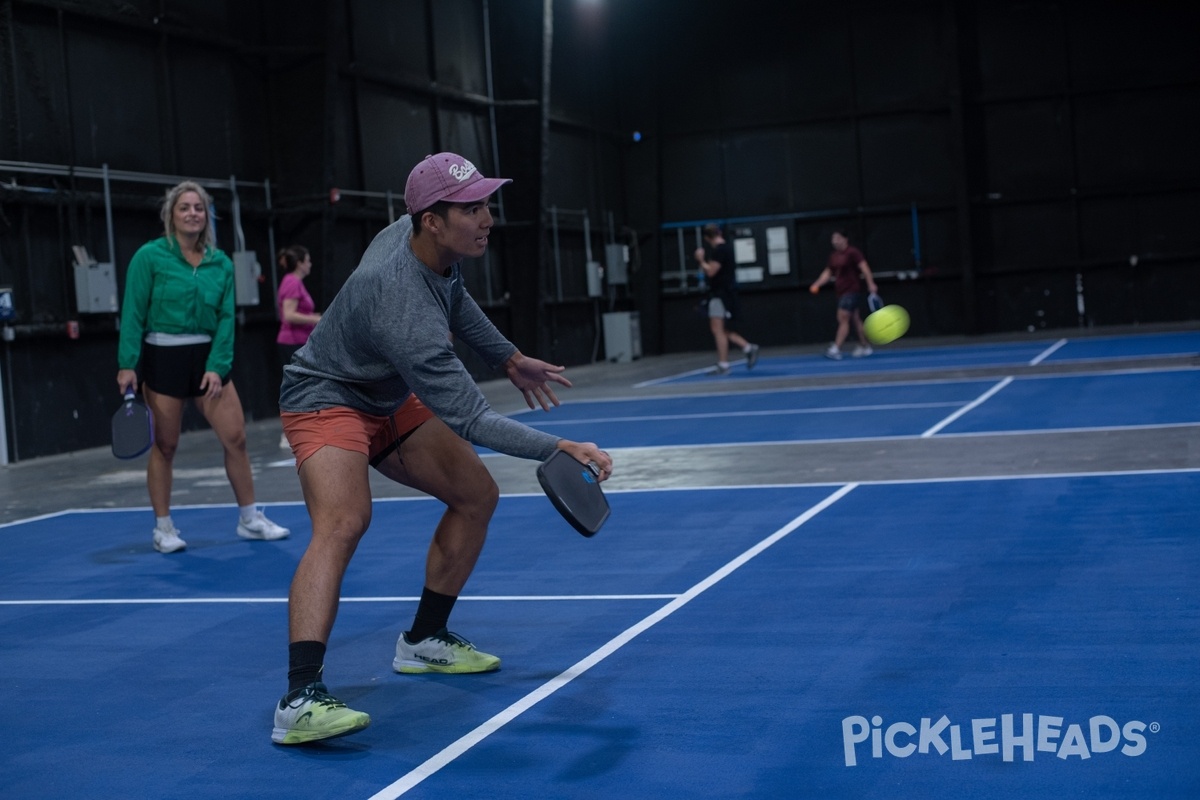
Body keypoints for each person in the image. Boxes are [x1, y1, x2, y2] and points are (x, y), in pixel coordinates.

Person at [270, 152, 614, 745]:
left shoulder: (422, 242)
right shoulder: (399, 300)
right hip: (325, 392)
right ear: (431, 219)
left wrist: (507, 357)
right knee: (345, 521)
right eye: (472, 208)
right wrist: (561, 446)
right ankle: (299, 697)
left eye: (486, 204)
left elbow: (454, 298)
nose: (487, 218)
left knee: (476, 494)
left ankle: (425, 640)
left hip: (386, 391)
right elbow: (472, 417)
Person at [116, 181, 290, 554]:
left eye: (198, 207)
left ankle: (249, 519)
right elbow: (132, 313)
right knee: (166, 445)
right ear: (171, 215)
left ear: (206, 216)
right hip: (163, 356)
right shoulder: (149, 257)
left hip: (208, 359)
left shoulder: (221, 263)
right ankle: (163, 528)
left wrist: (217, 365)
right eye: (184, 207)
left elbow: (226, 319)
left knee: (237, 438)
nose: (192, 213)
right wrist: (127, 364)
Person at [693, 224, 759, 374]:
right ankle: (747, 348)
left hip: (720, 295)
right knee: (720, 329)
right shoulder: (725, 249)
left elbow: (711, 272)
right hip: (723, 294)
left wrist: (700, 260)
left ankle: (725, 363)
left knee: (717, 329)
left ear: (707, 238)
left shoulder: (720, 251)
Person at [275, 245, 321, 447]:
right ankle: (289, 433)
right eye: (308, 260)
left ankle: (303, 428)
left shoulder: (294, 282)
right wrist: (314, 319)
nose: (310, 264)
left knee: (303, 387)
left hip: (299, 341)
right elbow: (288, 315)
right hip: (291, 342)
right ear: (301, 263)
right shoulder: (292, 283)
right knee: (295, 388)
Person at [809, 230, 878, 360]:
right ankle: (865, 346)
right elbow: (828, 273)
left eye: (838, 238)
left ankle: (836, 348)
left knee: (843, 317)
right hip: (841, 292)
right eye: (833, 238)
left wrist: (871, 284)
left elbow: (864, 268)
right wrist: (817, 284)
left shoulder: (853, 252)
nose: (835, 241)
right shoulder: (834, 256)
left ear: (845, 239)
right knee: (856, 320)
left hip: (852, 290)